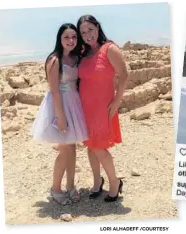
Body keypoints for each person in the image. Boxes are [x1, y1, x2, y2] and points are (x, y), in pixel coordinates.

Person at [31, 23, 88, 205]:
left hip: (74, 102)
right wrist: (60, 116)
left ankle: (71, 186)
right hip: (60, 105)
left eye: (74, 37)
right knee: (64, 150)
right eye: (66, 37)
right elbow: (54, 91)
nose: (71, 40)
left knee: (72, 148)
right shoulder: (55, 60)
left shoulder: (75, 58)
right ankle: (56, 189)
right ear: (60, 39)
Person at [77, 15, 128, 202]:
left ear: (97, 27)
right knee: (90, 147)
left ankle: (115, 182)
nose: (87, 35)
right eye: (83, 32)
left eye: (90, 29)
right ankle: (97, 182)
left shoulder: (110, 49)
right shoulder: (84, 53)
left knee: (99, 147)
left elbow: (124, 75)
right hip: (85, 108)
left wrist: (117, 101)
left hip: (102, 108)